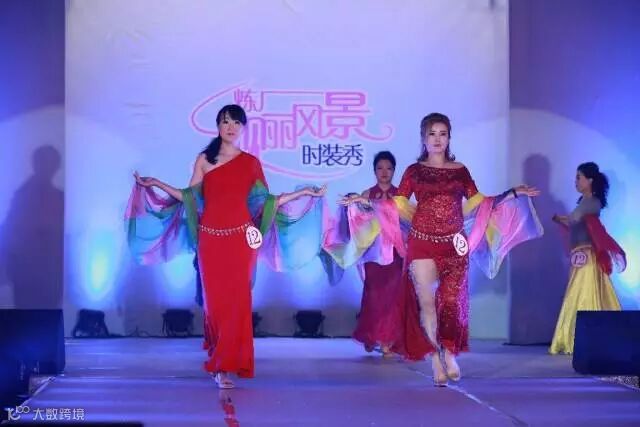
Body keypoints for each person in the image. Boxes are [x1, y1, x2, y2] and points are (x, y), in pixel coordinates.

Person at [330, 113, 543, 386]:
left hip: (454, 244)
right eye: (432, 133)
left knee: (451, 302)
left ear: (449, 138)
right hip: (422, 242)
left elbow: (478, 204)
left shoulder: (460, 171)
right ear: (424, 138)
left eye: (443, 133)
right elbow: (398, 205)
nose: (437, 139)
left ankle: (449, 352)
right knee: (427, 303)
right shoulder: (414, 171)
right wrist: (366, 202)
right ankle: (435, 357)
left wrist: (510, 194)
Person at [125, 104, 326, 388]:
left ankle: (225, 365)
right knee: (216, 305)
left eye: (236, 123)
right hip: (210, 241)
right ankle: (220, 358)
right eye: (225, 122)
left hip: (241, 242)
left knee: (238, 303)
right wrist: (156, 183)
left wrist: (302, 193)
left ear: (243, 128)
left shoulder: (251, 163)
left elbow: (264, 203)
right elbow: (189, 197)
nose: (230, 127)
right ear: (218, 126)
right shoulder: (204, 160)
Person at [549, 162, 626, 355]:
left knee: (583, 293)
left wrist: (562, 218)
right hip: (580, 256)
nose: (575, 181)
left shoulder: (591, 202)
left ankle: (586, 341)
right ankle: (579, 339)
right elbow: (574, 221)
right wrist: (560, 219)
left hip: (587, 258)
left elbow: (576, 220)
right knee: (577, 293)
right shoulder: (584, 203)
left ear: (589, 180)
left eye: (579, 177)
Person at [350, 151, 404, 357]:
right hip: (373, 254)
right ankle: (372, 334)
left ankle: (388, 340)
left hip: (395, 253)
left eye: (388, 168)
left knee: (393, 296)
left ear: (394, 171)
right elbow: (359, 224)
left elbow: (407, 223)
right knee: (374, 296)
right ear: (374, 171)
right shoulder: (366, 195)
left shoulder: (401, 196)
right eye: (380, 168)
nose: (384, 172)